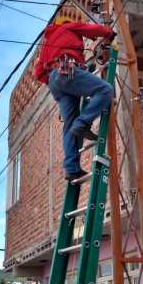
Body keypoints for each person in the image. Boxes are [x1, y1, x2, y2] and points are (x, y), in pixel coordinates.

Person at [34, 16, 115, 181]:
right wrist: (109, 32)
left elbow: (38, 73)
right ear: (66, 23)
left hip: (55, 82)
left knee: (69, 126)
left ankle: (72, 169)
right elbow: (90, 29)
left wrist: (55, 80)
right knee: (105, 90)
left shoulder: (46, 45)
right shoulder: (68, 27)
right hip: (66, 70)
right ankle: (82, 123)